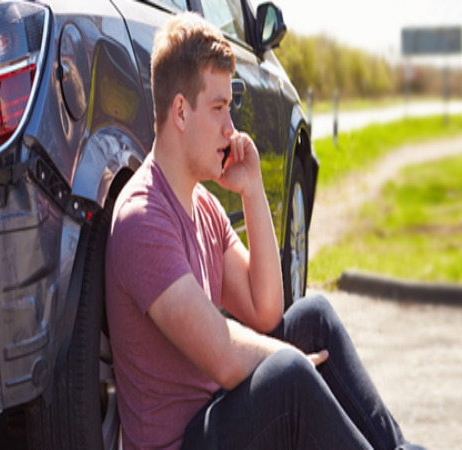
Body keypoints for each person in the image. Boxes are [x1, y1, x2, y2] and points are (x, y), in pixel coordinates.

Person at [105, 12, 423, 450]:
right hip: (183, 442)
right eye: (218, 108)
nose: (230, 128)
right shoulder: (142, 218)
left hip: (216, 414)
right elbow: (223, 355)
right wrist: (292, 362)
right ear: (180, 111)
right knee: (289, 374)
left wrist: (252, 190)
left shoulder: (204, 207)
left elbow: (266, 310)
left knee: (313, 318)